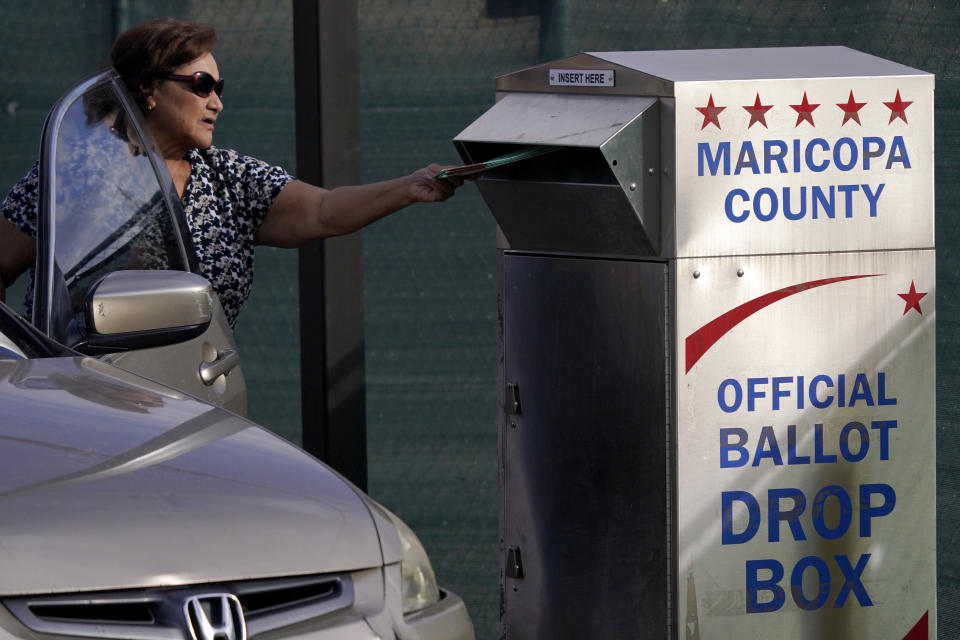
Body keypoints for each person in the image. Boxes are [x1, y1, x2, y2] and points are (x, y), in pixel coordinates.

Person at [0, 18, 464, 327]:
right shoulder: (74, 173)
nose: (216, 101)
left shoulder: (229, 179)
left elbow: (324, 210)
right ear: (148, 90)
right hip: (82, 401)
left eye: (218, 88)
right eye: (202, 85)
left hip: (194, 400)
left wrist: (410, 187)